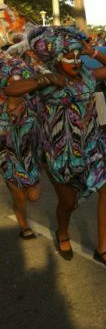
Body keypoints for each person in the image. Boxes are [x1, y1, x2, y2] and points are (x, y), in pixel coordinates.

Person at [26, 26, 106, 270]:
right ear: (57, 60)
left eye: (78, 56)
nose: (77, 61)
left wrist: (93, 52)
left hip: (92, 146)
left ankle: (103, 249)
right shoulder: (48, 82)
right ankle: (62, 231)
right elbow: (12, 89)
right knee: (68, 203)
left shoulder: (88, 76)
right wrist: (46, 79)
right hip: (60, 152)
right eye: (70, 57)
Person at [0, 51, 50, 240]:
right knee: (20, 197)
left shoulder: (33, 103)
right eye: (13, 82)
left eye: (21, 80)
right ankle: (24, 225)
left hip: (31, 158)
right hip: (7, 157)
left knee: (33, 196)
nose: (18, 85)